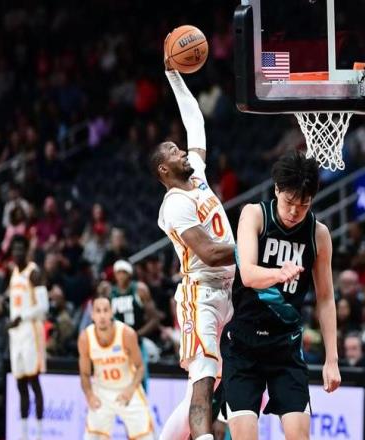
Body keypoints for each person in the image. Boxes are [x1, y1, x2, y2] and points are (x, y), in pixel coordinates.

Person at [221, 150, 341, 440]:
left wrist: (332, 360)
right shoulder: (254, 215)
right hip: (243, 344)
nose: (294, 212)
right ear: (277, 189)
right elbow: (248, 274)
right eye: (289, 202)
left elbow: (326, 298)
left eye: (303, 205)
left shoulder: (318, 234)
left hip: (284, 347)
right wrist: (278, 273)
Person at [150, 59, 235, 440]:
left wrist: (173, 75)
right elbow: (211, 252)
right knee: (202, 379)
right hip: (201, 295)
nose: (181, 150)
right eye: (173, 151)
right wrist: (253, 245)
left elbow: (194, 119)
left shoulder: (197, 175)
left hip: (230, 291)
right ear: (163, 170)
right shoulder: (174, 205)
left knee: (207, 388)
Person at [78, 293, 154, 439]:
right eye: (98, 311)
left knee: (145, 436)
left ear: (112, 312)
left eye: (105, 310)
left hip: (127, 389)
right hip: (102, 391)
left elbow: (140, 367)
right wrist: (89, 395)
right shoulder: (85, 338)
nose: (102, 315)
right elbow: (85, 374)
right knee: (92, 437)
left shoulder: (127, 334)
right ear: (92, 315)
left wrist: (130, 390)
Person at [7, 235, 49, 440]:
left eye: (20, 249)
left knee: (34, 382)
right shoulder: (14, 273)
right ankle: (24, 435)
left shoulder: (34, 273)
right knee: (20, 384)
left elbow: (44, 308)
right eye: (14, 249)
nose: (17, 253)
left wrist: (22, 317)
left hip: (31, 332)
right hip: (16, 335)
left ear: (27, 251)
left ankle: (39, 434)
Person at [110, 259, 160, 391]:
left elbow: (155, 319)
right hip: (117, 344)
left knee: (140, 380)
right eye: (118, 272)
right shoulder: (110, 292)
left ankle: (142, 401)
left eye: (124, 272)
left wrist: (137, 334)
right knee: (117, 381)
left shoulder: (139, 289)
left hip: (137, 343)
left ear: (130, 274)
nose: (121, 275)